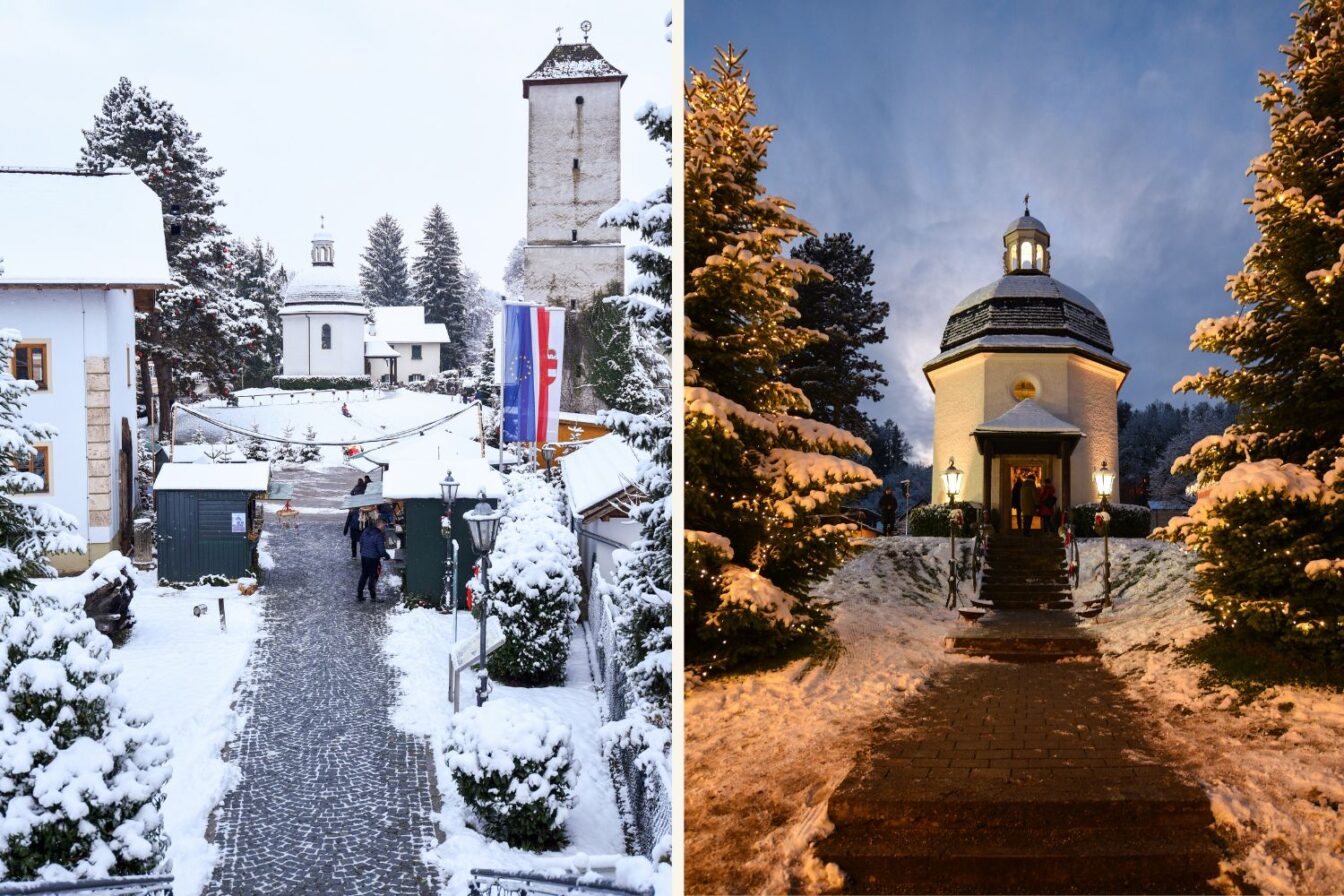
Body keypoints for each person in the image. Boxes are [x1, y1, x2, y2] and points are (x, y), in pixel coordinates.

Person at [357, 517, 390, 602]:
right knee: (373, 576)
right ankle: (373, 597)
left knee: (364, 575)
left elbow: (361, 541)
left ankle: (359, 595)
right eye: (384, 525)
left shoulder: (366, 530)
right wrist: (387, 556)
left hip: (364, 556)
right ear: (380, 524)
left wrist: (362, 551)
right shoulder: (379, 535)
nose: (384, 527)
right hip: (373, 559)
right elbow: (381, 550)